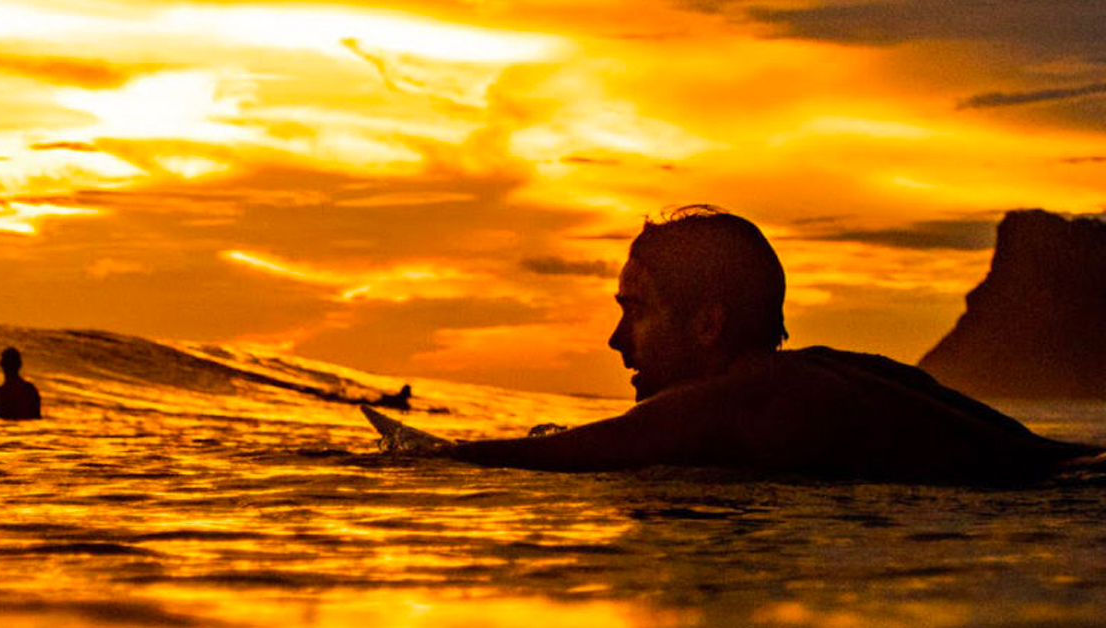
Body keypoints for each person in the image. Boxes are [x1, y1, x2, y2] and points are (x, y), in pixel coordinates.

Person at [445, 206, 1101, 481]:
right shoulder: (838, 373)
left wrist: (427, 458)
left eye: (635, 311)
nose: (616, 341)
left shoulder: (745, 397)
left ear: (708, 324)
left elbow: (606, 446)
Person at [0, 347, 42, 419]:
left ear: (1, 365)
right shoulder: (30, 389)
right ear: (19, 365)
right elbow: (36, 416)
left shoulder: (0, 393)